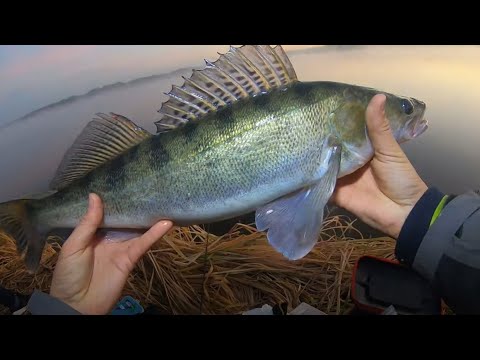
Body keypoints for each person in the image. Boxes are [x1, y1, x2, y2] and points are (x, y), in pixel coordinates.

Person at [20, 94, 480, 315]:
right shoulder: (332, 134)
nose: (411, 112)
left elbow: (300, 213)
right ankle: (35, 218)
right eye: (402, 108)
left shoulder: (335, 146)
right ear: (358, 115)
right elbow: (300, 223)